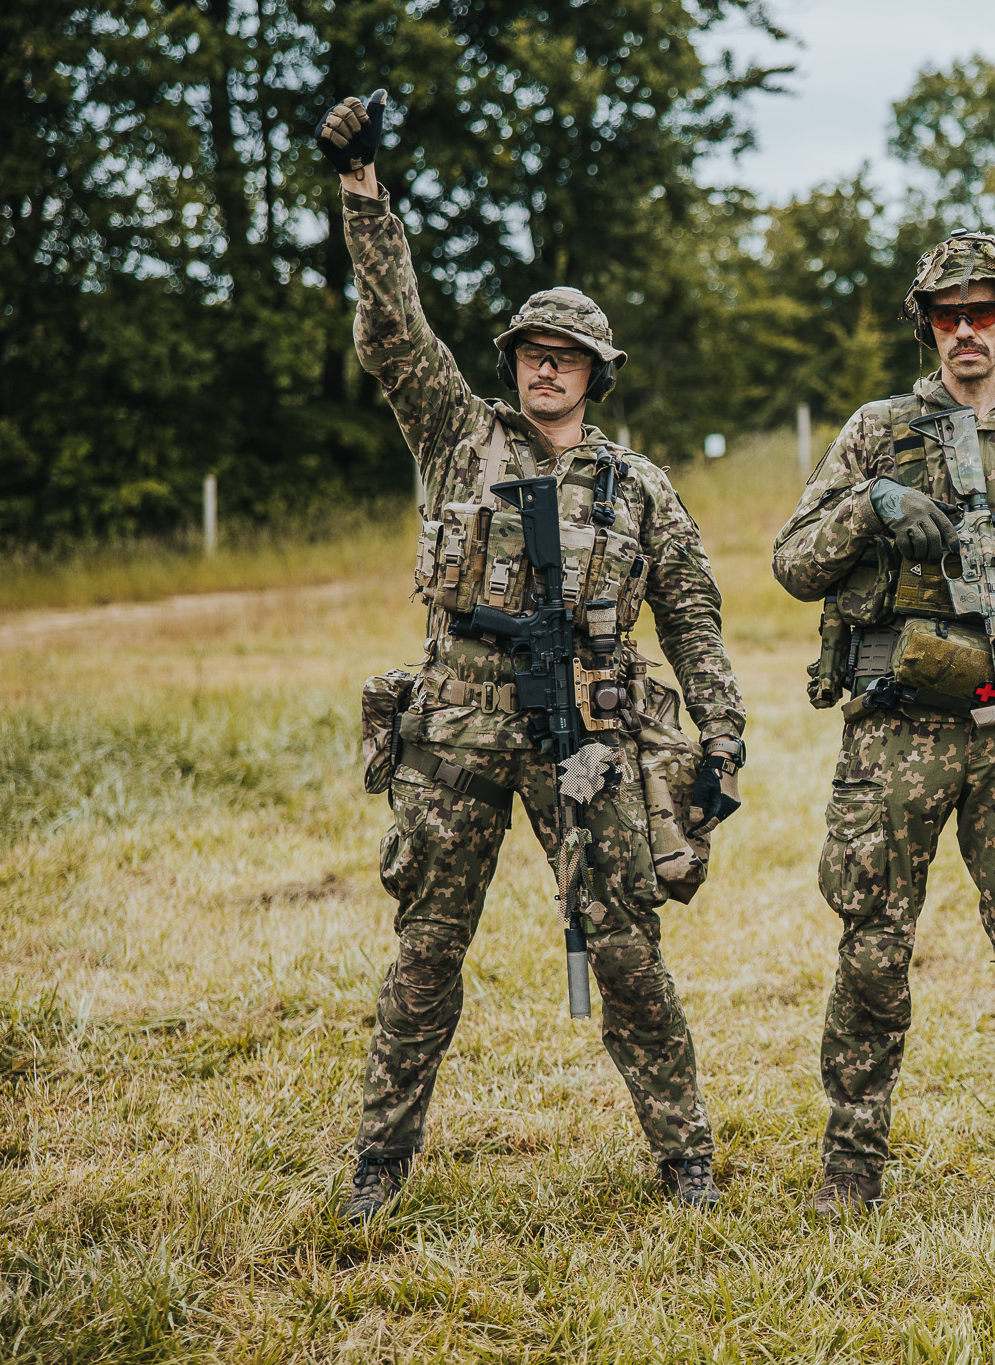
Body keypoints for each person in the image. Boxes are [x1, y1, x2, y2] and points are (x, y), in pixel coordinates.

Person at [314, 92, 746, 1222]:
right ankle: (378, 1165)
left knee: (626, 951)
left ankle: (684, 1158)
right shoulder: (459, 435)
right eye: (530, 354)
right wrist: (366, 194)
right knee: (424, 954)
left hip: (589, 733)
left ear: (596, 373)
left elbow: (693, 613)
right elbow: (393, 329)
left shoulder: (638, 487)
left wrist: (722, 736)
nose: (543, 371)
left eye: (566, 358)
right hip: (455, 721)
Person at [772, 230, 995, 1237]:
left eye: (980, 312)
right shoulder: (876, 432)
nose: (964, 332)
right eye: (945, 316)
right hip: (895, 731)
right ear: (925, 327)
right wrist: (870, 506)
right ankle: (850, 1159)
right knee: (872, 953)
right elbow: (793, 561)